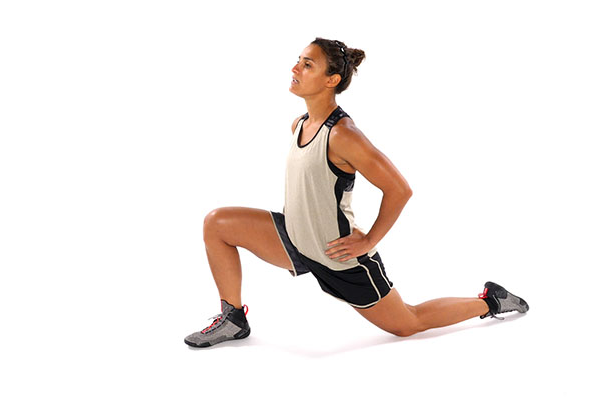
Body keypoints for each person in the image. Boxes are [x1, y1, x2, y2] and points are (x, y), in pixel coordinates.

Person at [184, 38, 529, 348]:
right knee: (218, 224)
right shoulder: (300, 124)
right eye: (298, 61)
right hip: (296, 240)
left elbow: (399, 190)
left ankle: (491, 300)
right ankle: (233, 319)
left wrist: (368, 241)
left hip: (337, 256)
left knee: (407, 323)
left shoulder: (344, 135)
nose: (295, 68)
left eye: (307, 64)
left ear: (331, 80)